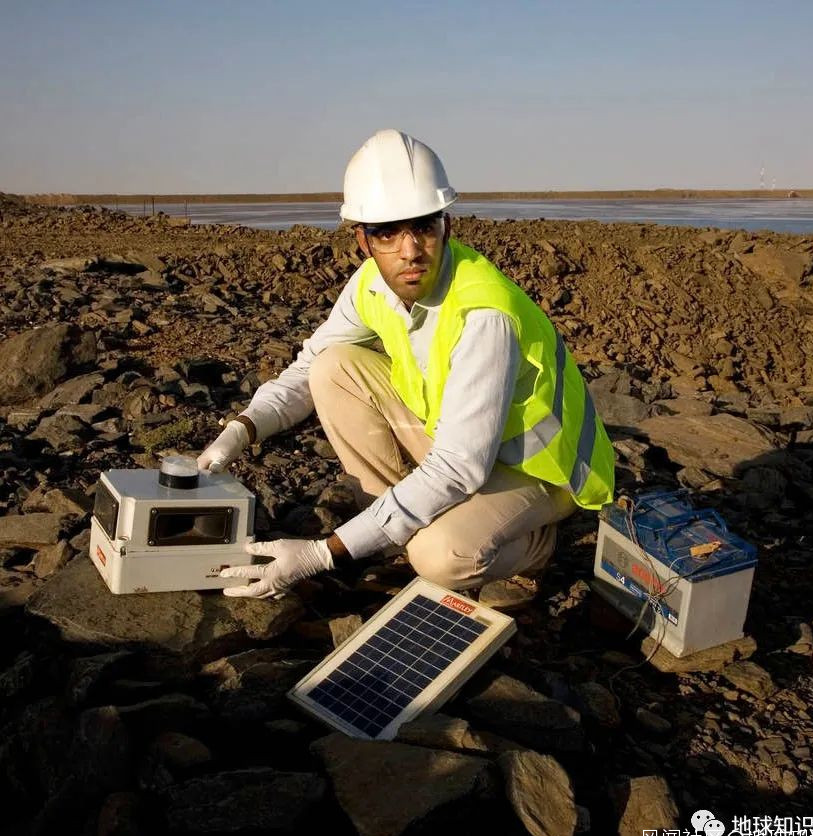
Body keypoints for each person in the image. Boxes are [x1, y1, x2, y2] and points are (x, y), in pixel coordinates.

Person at [204, 130, 615, 600]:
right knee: (334, 367)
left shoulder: (483, 315)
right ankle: (394, 530)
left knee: (440, 556)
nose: (410, 251)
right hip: (462, 442)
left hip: (541, 471)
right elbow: (309, 365)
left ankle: (531, 551)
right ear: (362, 240)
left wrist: (324, 553)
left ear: (446, 227)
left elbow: (459, 467)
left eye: (423, 227)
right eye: (387, 232)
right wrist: (243, 428)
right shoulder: (370, 286)